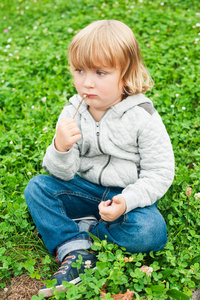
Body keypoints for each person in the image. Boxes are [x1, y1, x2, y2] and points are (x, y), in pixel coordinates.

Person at [24, 19, 175, 298]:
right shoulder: (73, 112)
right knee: (37, 188)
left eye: (100, 72)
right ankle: (75, 248)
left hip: (126, 197)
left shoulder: (143, 117)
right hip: (85, 188)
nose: (87, 82)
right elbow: (62, 175)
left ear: (125, 74)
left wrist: (127, 201)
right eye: (79, 70)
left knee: (151, 232)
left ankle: (85, 229)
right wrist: (60, 148)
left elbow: (160, 171)